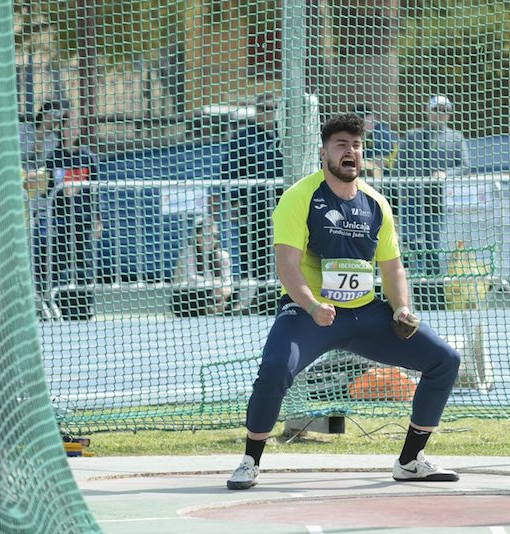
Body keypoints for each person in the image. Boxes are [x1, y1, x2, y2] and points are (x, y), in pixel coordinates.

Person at [226, 113, 461, 490]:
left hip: (366, 315)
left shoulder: (376, 203)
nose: (350, 151)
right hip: (311, 314)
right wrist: (312, 305)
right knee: (273, 370)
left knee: (445, 360)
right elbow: (286, 265)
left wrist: (401, 308)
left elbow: (393, 267)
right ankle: (249, 462)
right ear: (324, 153)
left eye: (356, 145)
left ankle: (410, 460)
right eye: (341, 145)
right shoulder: (300, 197)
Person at [30, 102, 98, 318]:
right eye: (70, 125)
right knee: (59, 263)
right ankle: (62, 308)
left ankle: (85, 308)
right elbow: (45, 189)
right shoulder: (54, 157)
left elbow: (97, 192)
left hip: (83, 221)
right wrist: (58, 190)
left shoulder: (88, 158)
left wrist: (98, 218)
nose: (73, 130)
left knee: (84, 264)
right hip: (60, 221)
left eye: (77, 126)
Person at [393, 95, 470, 276]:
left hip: (437, 199)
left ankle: (433, 288)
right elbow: (398, 168)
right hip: (411, 200)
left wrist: (446, 174)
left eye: (445, 111)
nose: (441, 114)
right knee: (411, 243)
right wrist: (402, 192)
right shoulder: (413, 136)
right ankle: (411, 286)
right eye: (436, 110)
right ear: (428, 112)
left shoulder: (456, 138)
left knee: (433, 244)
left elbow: (465, 166)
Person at [221, 92, 284, 281]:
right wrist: (234, 203)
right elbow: (228, 171)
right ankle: (257, 294)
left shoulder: (287, 135)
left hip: (284, 205)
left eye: (273, 109)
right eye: (264, 109)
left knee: (284, 250)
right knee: (253, 251)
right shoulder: (243, 137)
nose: (269, 113)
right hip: (253, 206)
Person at [172, 214, 234, 316]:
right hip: (192, 295)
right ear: (197, 236)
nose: (210, 240)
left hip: (217, 293)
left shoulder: (222, 255)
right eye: (206, 235)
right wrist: (212, 283)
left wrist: (223, 292)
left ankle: (220, 308)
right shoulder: (188, 252)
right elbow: (190, 278)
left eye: (214, 236)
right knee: (195, 294)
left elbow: (228, 280)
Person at [353, 103, 398, 175]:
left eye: (362, 120)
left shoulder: (382, 134)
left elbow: (378, 166)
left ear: (370, 117)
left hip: (388, 178)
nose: (359, 125)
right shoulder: (368, 136)